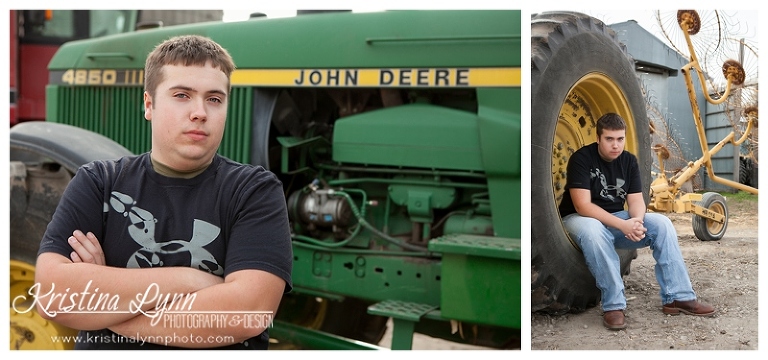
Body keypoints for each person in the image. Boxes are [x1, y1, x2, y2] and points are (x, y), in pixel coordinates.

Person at [34, 35, 293, 349]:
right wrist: (192, 280)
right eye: (182, 95)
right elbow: (52, 297)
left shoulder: (254, 191)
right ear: (149, 104)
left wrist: (104, 307)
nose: (200, 112)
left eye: (214, 99)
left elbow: (246, 314)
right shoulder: (99, 182)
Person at [558, 112, 714, 331]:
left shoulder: (629, 161)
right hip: (580, 219)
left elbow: (636, 201)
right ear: (598, 138)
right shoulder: (582, 158)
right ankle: (614, 305)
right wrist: (623, 225)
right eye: (609, 139)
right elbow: (583, 205)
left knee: (662, 224)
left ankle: (678, 297)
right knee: (594, 230)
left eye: (620, 139)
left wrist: (637, 222)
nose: (615, 145)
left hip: (615, 218)